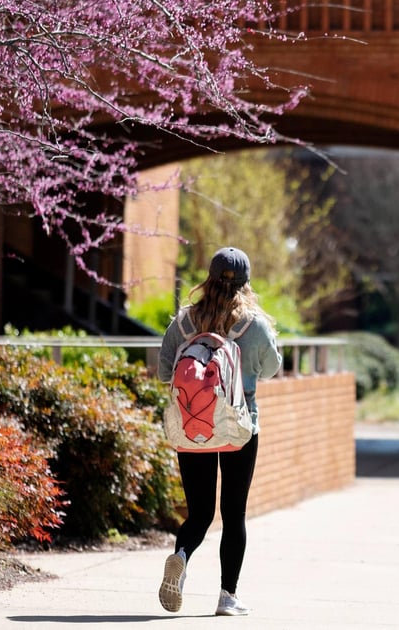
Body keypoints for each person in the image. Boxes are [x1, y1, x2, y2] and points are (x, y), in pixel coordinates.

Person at [156, 247, 282, 617]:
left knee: (199, 514)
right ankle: (228, 597)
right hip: (239, 428)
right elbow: (272, 368)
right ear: (245, 283)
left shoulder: (183, 323)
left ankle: (181, 557)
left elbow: (166, 372)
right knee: (233, 514)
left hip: (193, 426)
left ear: (208, 278)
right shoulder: (253, 325)